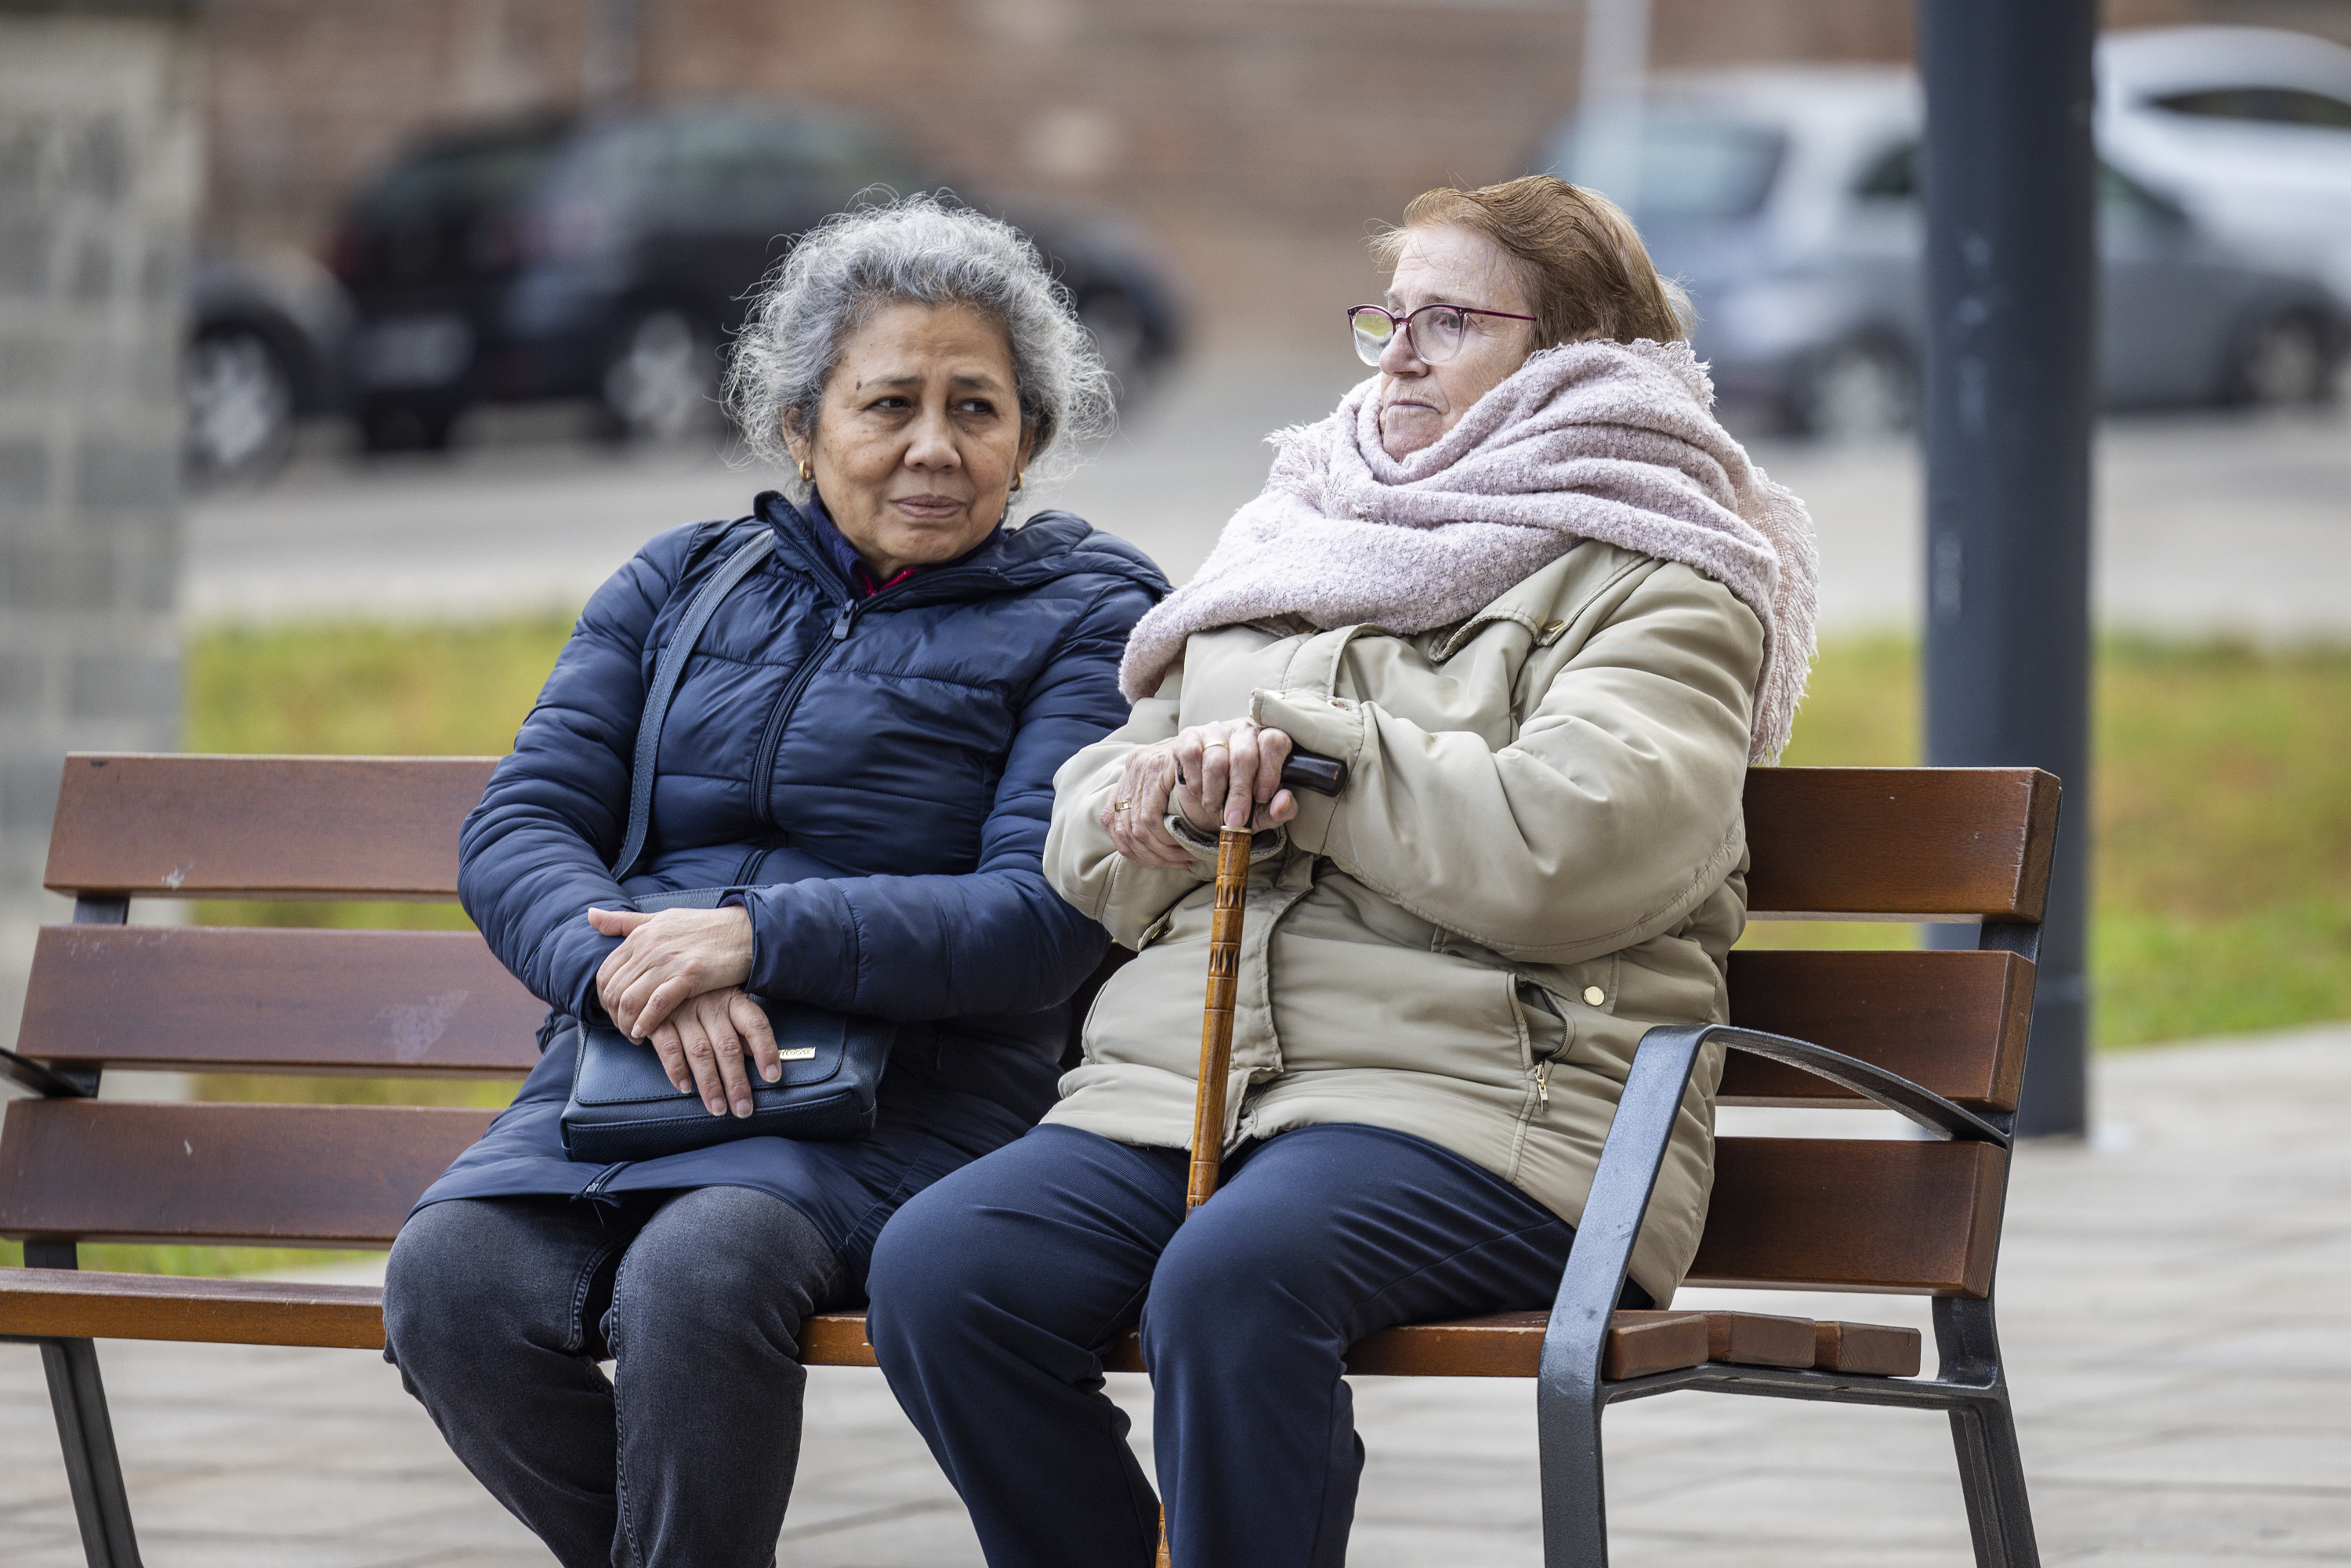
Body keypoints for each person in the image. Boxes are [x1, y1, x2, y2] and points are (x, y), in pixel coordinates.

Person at [866, 176, 1820, 1568]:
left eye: (1451, 320)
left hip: (1502, 1106)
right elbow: (1082, 847)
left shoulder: (1659, 566)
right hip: (1194, 1092)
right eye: (1391, 316)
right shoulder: (1298, 531)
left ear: (1578, 358)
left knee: (1234, 1278)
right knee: (948, 1273)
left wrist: (1306, 759)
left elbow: (1572, 848)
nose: (1401, 355)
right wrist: (1171, 809)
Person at [378, 196, 1166, 1568]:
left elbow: (1042, 917)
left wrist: (748, 940)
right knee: (446, 1285)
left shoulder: (1091, 616)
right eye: (889, 404)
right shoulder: (679, 582)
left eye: (977, 407)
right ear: (801, 428)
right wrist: (633, 973)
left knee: (701, 1270)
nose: (935, 446)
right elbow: (520, 824)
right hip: (628, 1069)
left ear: (1028, 436)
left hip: (899, 1104)